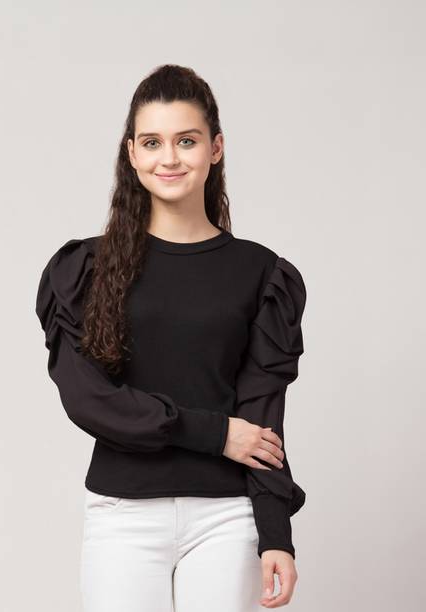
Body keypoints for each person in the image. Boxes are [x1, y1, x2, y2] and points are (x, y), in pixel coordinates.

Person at [35, 64, 307, 611]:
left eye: (187, 140)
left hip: (227, 516)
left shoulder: (261, 274)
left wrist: (276, 533)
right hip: (123, 513)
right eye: (152, 142)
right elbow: (89, 400)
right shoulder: (86, 269)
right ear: (132, 153)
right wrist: (214, 433)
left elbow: (262, 418)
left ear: (216, 148)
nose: (170, 158)